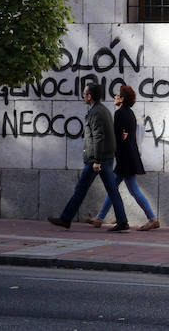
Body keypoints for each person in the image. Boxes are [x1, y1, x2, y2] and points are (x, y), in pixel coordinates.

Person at [48, 83, 130, 232]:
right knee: (112, 190)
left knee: (81, 188)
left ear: (89, 97)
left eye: (85, 93)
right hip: (106, 156)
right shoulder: (102, 110)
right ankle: (122, 221)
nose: (83, 96)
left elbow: (98, 137)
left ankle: (66, 218)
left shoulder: (96, 112)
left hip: (98, 159)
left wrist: (97, 161)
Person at [83, 85, 159, 231]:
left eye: (117, 95)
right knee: (112, 188)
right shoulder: (129, 113)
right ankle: (99, 218)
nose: (115, 97)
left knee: (134, 190)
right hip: (127, 157)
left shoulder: (119, 114)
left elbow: (116, 137)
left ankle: (152, 219)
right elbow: (122, 135)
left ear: (122, 99)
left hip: (125, 160)